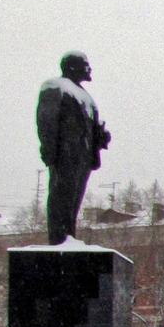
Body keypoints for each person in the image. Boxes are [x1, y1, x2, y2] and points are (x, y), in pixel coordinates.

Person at [36, 52, 111, 245]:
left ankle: (68, 237)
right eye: (85, 64)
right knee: (61, 197)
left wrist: (101, 138)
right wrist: (49, 150)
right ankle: (59, 240)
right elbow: (47, 120)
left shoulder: (87, 98)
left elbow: (90, 129)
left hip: (83, 157)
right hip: (65, 154)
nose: (89, 69)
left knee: (74, 200)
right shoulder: (55, 87)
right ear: (71, 67)